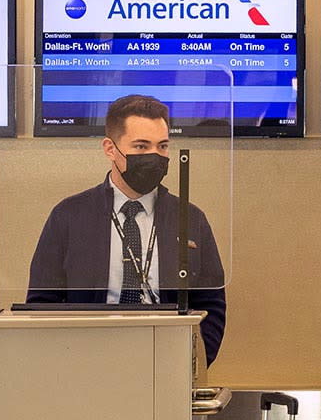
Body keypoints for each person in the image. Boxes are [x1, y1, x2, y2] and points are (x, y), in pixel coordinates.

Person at [27, 95, 226, 365]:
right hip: (85, 362)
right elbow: (42, 303)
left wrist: (191, 364)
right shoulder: (69, 216)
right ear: (110, 149)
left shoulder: (189, 218)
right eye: (141, 146)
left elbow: (212, 304)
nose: (154, 156)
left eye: (163, 146)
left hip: (166, 361)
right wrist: (65, 363)